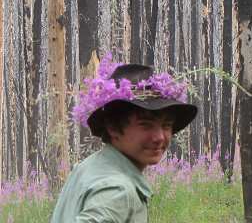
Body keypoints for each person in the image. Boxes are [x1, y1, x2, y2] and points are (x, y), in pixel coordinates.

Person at [51, 56, 197, 223]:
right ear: (113, 127)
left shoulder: (89, 168)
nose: (159, 137)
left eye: (166, 125)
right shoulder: (118, 190)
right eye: (146, 125)